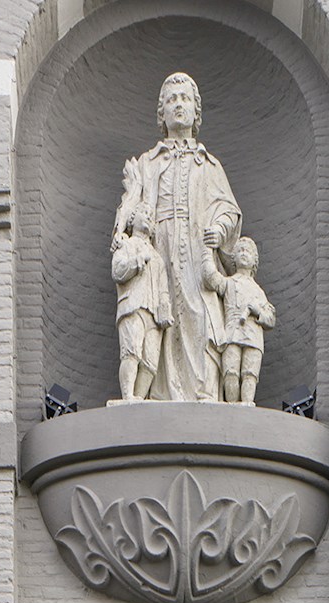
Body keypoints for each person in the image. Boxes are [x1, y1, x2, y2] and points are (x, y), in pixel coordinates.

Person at [111, 72, 241, 403]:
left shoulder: (208, 165)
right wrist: (123, 233)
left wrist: (219, 229)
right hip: (158, 248)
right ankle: (158, 393)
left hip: (199, 249)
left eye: (185, 99)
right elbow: (131, 203)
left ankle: (203, 390)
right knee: (160, 318)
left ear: (196, 112)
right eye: (171, 100)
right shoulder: (148, 162)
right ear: (162, 113)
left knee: (201, 315)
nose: (178, 105)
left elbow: (229, 209)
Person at [112, 215, 172, 402]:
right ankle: (128, 396)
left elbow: (163, 289)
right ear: (132, 221)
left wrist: (164, 310)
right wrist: (138, 260)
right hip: (133, 306)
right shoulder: (126, 245)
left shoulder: (157, 258)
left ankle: (138, 398)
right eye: (143, 213)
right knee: (131, 352)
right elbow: (117, 271)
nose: (148, 217)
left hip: (153, 315)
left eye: (150, 216)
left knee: (150, 362)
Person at [214, 235, 274, 406]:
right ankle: (232, 404)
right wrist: (207, 251)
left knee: (250, 372)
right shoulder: (229, 283)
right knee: (231, 370)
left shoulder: (258, 291)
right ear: (233, 257)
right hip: (232, 333)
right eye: (240, 250)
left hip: (253, 336)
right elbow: (212, 279)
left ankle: (247, 403)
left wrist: (257, 311)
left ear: (255, 260)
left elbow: (270, 319)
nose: (243, 254)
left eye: (248, 251)